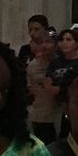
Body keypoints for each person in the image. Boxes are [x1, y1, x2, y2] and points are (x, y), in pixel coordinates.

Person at [23, 16, 62, 144]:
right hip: (39, 111)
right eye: (30, 30)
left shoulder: (60, 63)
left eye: (49, 42)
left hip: (58, 112)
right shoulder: (34, 65)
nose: (45, 46)